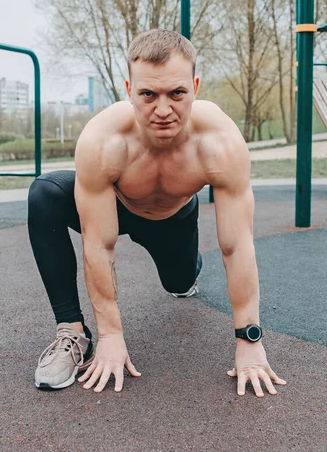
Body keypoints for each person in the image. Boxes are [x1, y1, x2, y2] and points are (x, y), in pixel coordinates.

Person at [28, 29, 286, 398]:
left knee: (179, 285)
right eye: (148, 94)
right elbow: (99, 246)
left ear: (195, 86)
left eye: (176, 93)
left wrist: (249, 340)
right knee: (44, 194)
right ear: (129, 88)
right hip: (118, 203)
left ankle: (186, 272)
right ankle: (72, 332)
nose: (163, 110)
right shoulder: (102, 140)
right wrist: (111, 335)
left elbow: (237, 246)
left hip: (174, 217)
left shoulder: (220, 143)